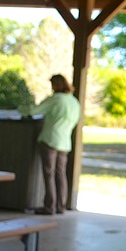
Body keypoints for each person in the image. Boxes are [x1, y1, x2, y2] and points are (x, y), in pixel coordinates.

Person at [19, 74, 81, 215]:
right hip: (65, 142)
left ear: (56, 85)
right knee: (60, 175)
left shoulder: (55, 100)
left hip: (50, 140)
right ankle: (60, 206)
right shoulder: (74, 102)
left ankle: (49, 207)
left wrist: (21, 108)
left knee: (49, 174)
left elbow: (34, 111)